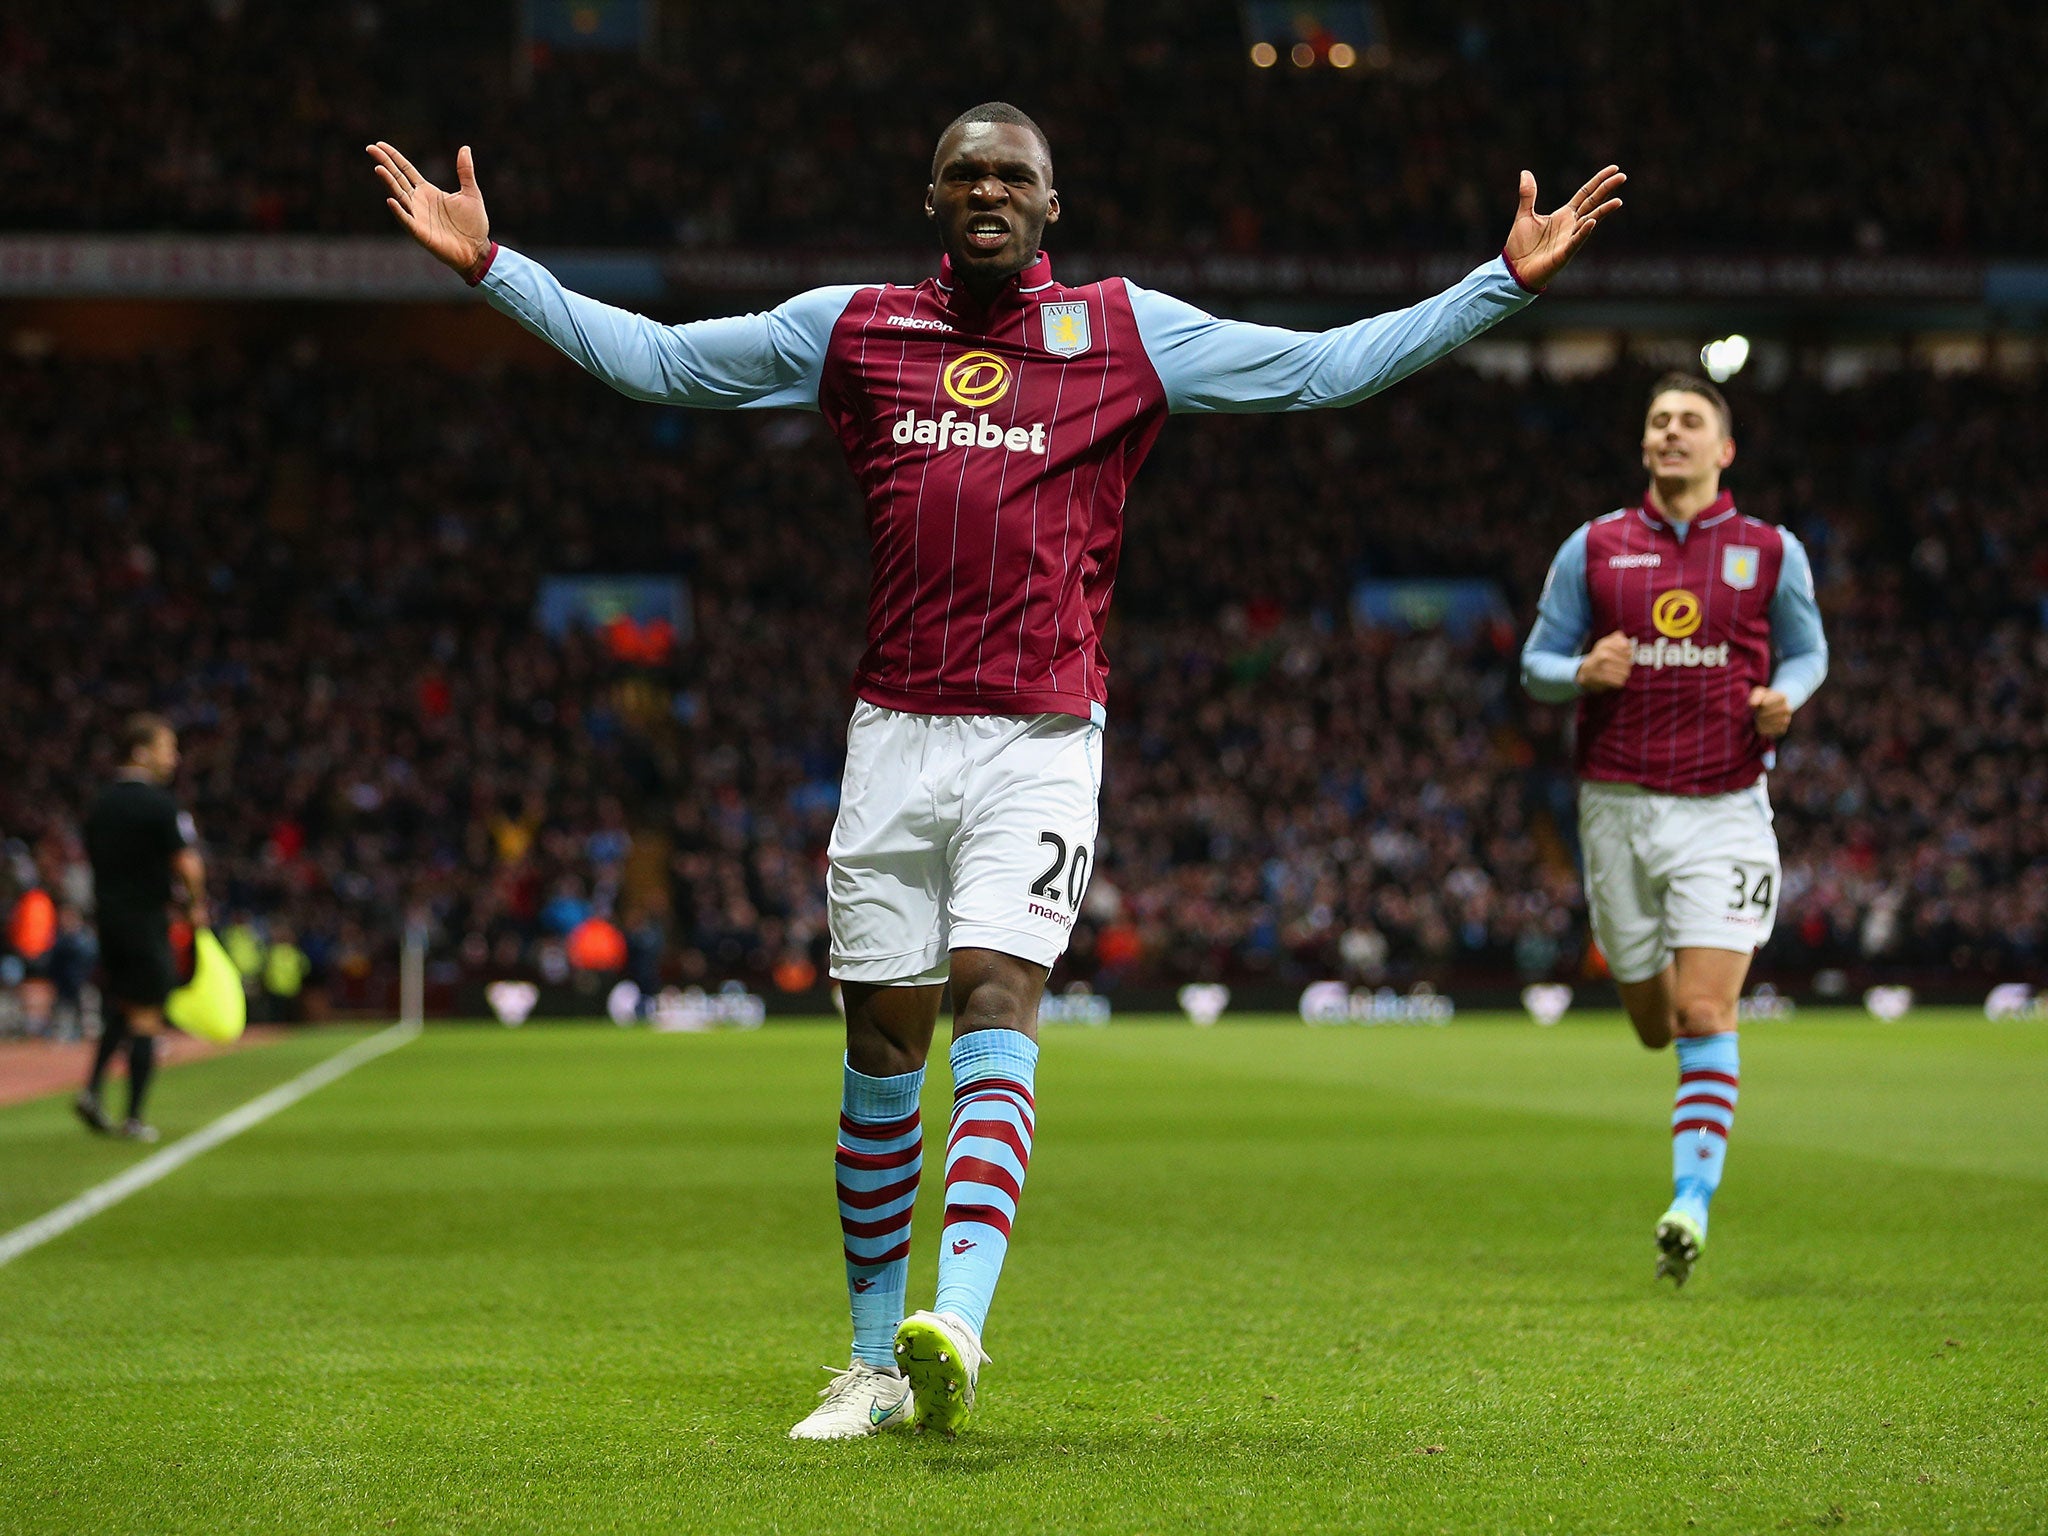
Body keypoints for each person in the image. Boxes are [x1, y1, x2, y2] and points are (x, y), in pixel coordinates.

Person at [369, 106, 1624, 1438]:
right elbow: (665, 365)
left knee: (997, 989)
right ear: (930, 197)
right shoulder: (853, 329)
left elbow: (1323, 370)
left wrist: (1498, 286)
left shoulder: (1127, 332)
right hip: (893, 737)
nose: (988, 191)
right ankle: (868, 1362)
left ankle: (953, 1322)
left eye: (1011, 176)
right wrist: (493, 268)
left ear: (1051, 204)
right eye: (966, 172)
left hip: (1040, 736)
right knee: (880, 1042)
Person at [1520, 374, 1827, 1287]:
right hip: (1615, 809)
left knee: (1705, 1010)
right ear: (1645, 445)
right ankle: (1686, 1131)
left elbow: (1809, 651)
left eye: (1691, 422)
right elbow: (1535, 666)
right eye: (1659, 421)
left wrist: (1787, 698)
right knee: (1656, 1025)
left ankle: (1690, 1202)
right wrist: (1580, 668)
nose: (1672, 433)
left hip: (1728, 808)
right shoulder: (1595, 547)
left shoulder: (1771, 553)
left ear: (1724, 448)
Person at [78, 714, 207, 1142]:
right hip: (146, 920)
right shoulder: (159, 804)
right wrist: (194, 906)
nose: (175, 758)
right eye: (168, 748)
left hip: (108, 919)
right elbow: (187, 864)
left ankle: (93, 1091)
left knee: (123, 1002)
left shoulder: (100, 802)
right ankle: (133, 1117)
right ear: (141, 751)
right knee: (148, 1014)